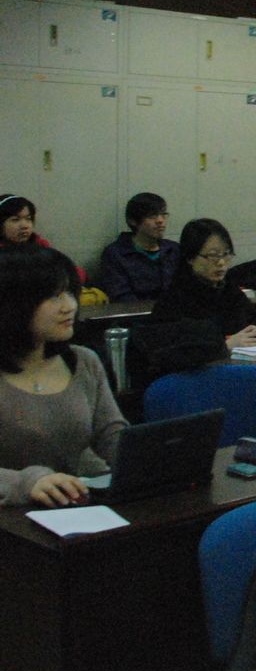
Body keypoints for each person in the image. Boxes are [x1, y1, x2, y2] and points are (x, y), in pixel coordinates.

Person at [0, 246, 126, 507]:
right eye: (54, 296)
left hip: (73, 508)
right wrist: (26, 482)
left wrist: (153, 458)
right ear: (14, 304)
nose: (70, 306)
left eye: (70, 293)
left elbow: (112, 435)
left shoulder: (83, 361)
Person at [151, 218, 256, 349]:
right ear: (190, 258)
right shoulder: (174, 299)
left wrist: (255, 330)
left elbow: (255, 320)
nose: (221, 262)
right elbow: (175, 348)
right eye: (213, 255)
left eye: (226, 254)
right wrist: (224, 345)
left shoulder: (230, 290)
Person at [97, 192, 180, 301]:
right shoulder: (116, 254)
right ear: (133, 221)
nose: (160, 220)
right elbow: (121, 296)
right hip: (137, 310)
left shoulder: (174, 249)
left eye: (163, 214)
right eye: (152, 216)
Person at [0, 193, 85, 281]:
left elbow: (74, 273)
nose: (25, 226)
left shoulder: (40, 246)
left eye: (28, 219)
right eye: (15, 220)